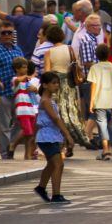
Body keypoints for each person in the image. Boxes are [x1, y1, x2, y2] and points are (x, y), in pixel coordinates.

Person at [43, 24, 89, 153]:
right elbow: (77, 65)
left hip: (55, 85)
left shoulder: (49, 52)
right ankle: (73, 140)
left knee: (59, 114)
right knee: (71, 112)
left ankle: (63, 144)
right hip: (70, 84)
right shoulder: (70, 49)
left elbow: (47, 72)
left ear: (49, 38)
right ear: (62, 36)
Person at [32, 71, 74, 203]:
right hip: (46, 137)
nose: (57, 86)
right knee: (58, 164)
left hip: (52, 136)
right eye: (54, 83)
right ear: (45, 85)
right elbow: (56, 119)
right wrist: (68, 135)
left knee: (52, 164)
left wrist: (62, 136)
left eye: (58, 83)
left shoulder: (50, 100)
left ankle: (41, 187)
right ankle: (56, 195)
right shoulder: (45, 101)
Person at [0, 19, 25, 159]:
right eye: (3, 33)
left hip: (18, 93)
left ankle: (11, 146)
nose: (7, 35)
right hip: (3, 92)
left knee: (20, 122)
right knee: (3, 124)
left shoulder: (18, 49)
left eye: (10, 32)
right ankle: (5, 152)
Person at [86, 43, 112, 160]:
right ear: (109, 54)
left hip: (99, 101)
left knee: (102, 126)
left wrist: (91, 102)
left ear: (96, 55)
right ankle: (108, 149)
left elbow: (94, 86)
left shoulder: (94, 68)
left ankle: (106, 150)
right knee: (110, 126)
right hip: (110, 102)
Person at [10, 57, 40, 160]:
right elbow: (18, 80)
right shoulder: (15, 80)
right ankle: (13, 144)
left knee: (30, 135)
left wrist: (34, 89)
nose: (26, 69)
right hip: (22, 109)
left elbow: (35, 91)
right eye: (23, 67)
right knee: (28, 131)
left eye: (27, 67)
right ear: (17, 69)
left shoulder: (28, 81)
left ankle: (27, 154)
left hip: (30, 108)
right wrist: (26, 77)